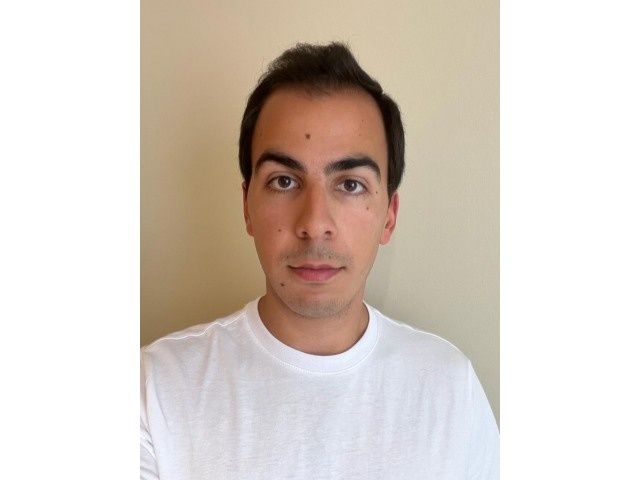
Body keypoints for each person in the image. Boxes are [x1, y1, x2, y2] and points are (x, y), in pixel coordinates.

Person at [140, 42, 499, 479]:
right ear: (247, 207)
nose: (314, 224)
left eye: (350, 185)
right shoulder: (154, 392)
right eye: (284, 181)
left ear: (389, 216)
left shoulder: (451, 390)